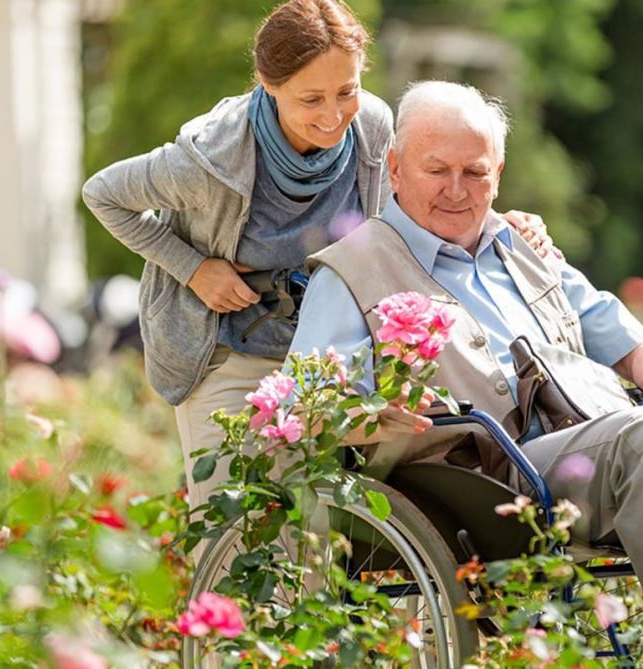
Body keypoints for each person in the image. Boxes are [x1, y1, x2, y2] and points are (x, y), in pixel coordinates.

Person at [288, 80, 643, 667]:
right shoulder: (352, 270)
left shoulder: (524, 249)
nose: (457, 190)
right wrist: (374, 418)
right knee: (642, 434)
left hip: (615, 455)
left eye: (476, 172)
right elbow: (307, 406)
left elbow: (641, 346)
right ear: (397, 167)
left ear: (500, 171)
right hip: (488, 485)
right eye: (437, 170)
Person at [81, 0, 555, 510]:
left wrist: (498, 223)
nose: (333, 116)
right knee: (237, 527)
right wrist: (193, 269)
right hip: (229, 353)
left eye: (346, 91)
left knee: (322, 534)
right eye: (311, 99)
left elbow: (413, 203)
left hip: (328, 353)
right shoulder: (211, 157)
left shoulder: (371, 125)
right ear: (269, 83)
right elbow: (102, 193)